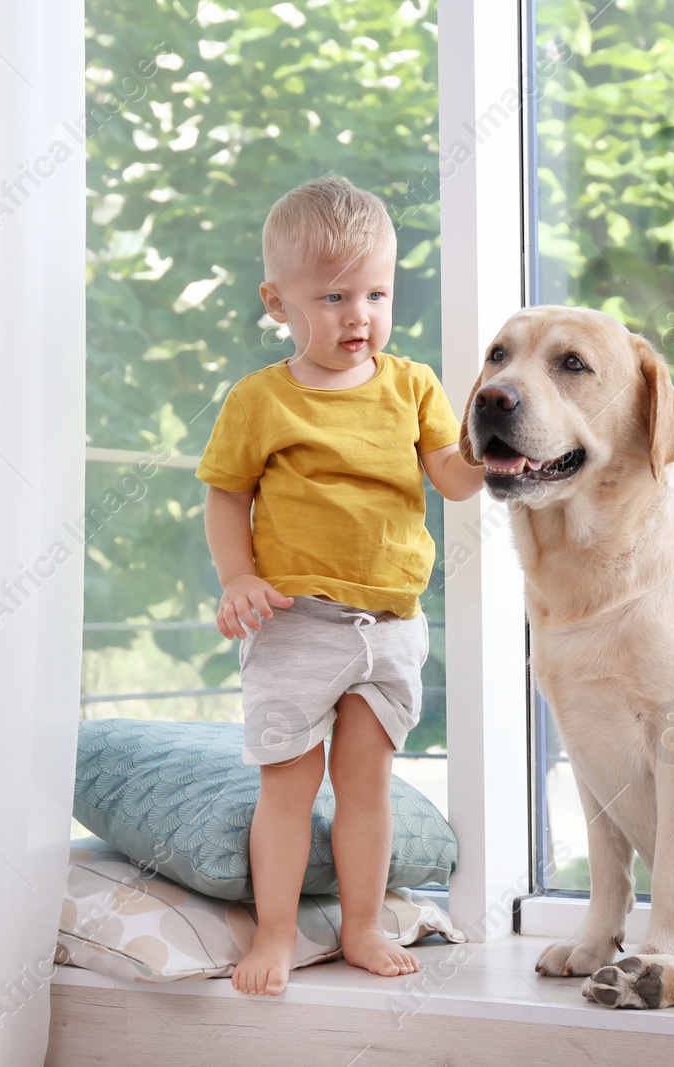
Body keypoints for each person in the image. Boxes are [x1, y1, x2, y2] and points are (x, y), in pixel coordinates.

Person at [197, 176, 486, 996]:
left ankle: (361, 923)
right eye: (331, 296)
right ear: (278, 302)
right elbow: (227, 495)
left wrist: (493, 453)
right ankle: (276, 931)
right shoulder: (262, 399)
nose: (358, 315)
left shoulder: (413, 386)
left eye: (375, 292)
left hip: (390, 625)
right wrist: (237, 577)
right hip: (296, 623)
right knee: (289, 782)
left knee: (367, 784)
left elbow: (451, 479)